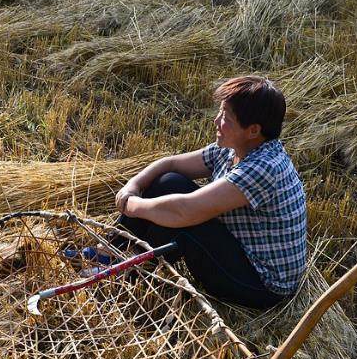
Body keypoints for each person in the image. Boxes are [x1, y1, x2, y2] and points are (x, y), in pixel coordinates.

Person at [114, 76, 307, 308]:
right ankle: (111, 251)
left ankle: (126, 273)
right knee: (169, 182)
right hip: (241, 251)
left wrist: (132, 206)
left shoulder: (264, 168)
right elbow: (171, 164)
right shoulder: (235, 148)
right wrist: (132, 187)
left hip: (262, 284)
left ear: (253, 130)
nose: (216, 121)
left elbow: (184, 211)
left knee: (184, 225)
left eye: (226, 117)